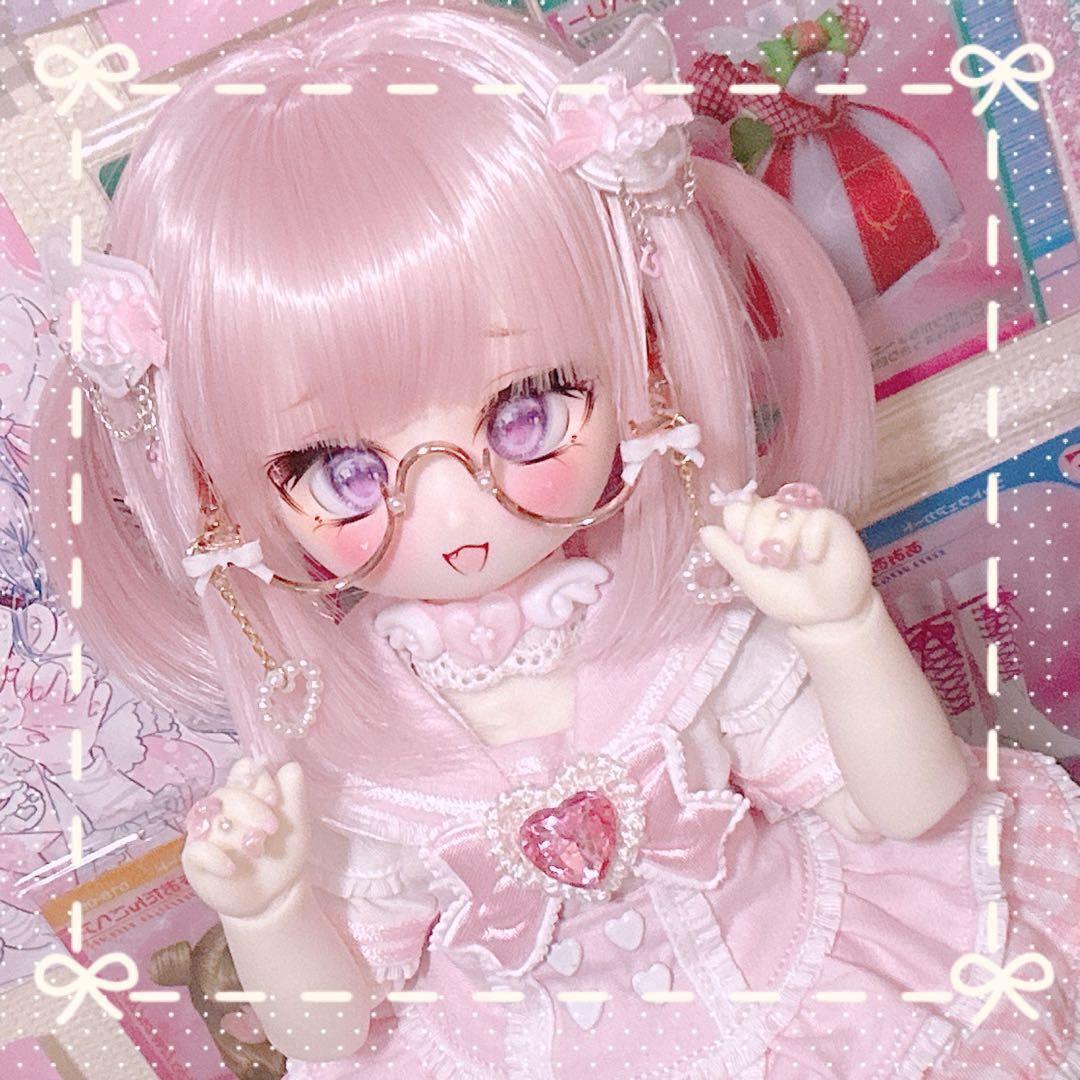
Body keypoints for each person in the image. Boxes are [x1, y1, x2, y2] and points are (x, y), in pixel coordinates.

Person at [32, 2, 1080, 1076]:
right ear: (224, 497)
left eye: (525, 410)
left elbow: (911, 808)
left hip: (802, 996)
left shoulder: (684, 625)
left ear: (640, 362)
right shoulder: (349, 746)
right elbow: (333, 1031)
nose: (454, 510)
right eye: (341, 471)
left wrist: (847, 631)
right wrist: (267, 913)